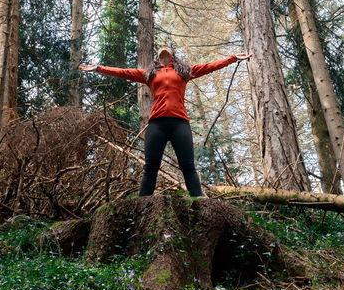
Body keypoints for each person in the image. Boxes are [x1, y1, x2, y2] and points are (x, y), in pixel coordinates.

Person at [80, 44, 250, 197]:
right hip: (157, 124)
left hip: (180, 123)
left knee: (188, 166)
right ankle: (143, 205)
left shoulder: (184, 72)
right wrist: (98, 68)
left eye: (166, 46)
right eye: (160, 47)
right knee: (150, 167)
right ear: (157, 56)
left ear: (173, 54)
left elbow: (209, 67)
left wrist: (233, 59)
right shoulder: (149, 74)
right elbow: (124, 72)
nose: (163, 47)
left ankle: (200, 202)